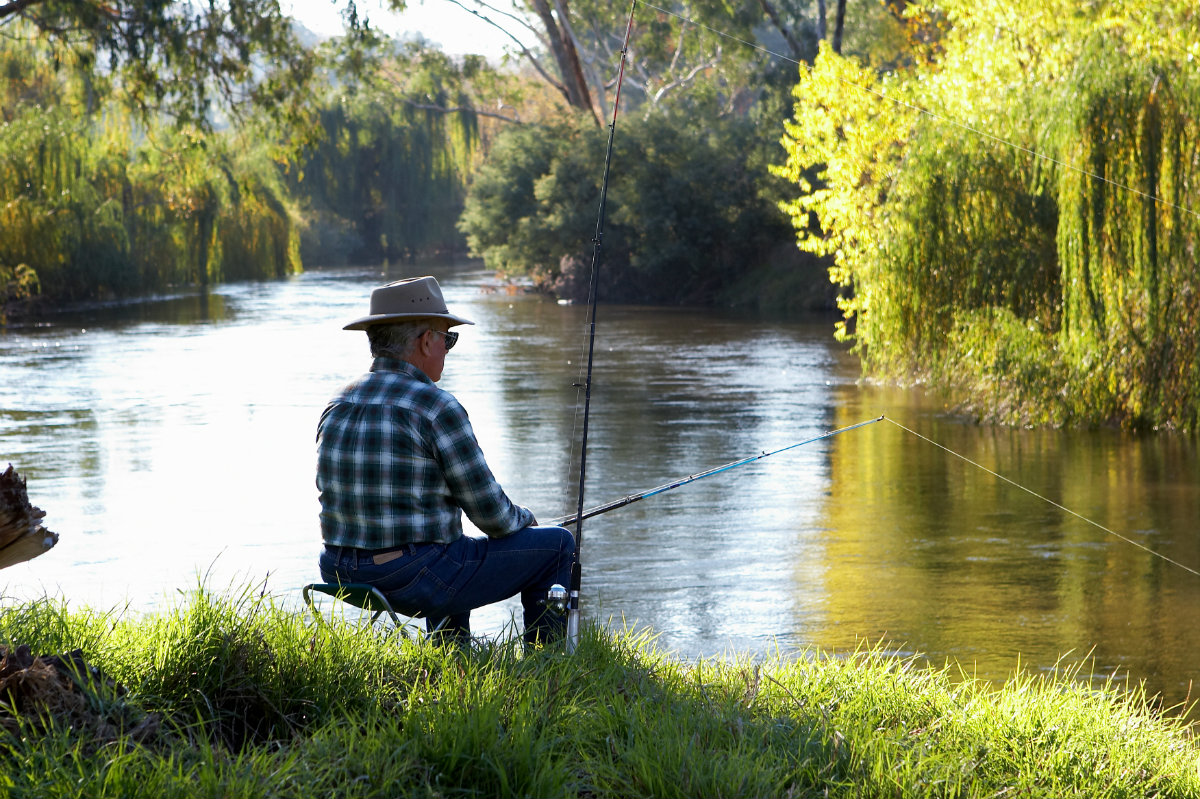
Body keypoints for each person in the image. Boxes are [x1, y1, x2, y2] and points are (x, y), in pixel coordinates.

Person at [316, 276, 574, 645]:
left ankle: (452, 657)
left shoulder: (337, 402)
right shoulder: (436, 406)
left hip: (338, 570)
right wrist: (527, 523)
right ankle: (546, 670)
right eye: (448, 338)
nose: (447, 349)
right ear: (426, 341)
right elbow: (493, 517)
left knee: (451, 546)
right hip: (410, 575)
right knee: (557, 545)